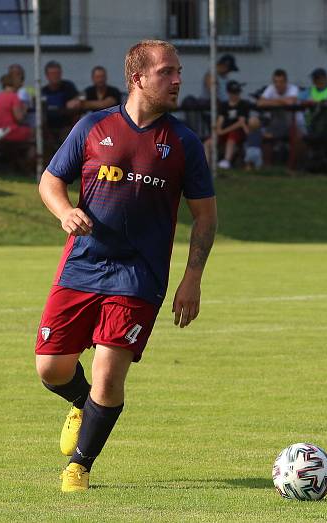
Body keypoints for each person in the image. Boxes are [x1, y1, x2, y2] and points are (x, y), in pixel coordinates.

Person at [34, 39, 217, 493]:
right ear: (137, 78)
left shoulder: (183, 143)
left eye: (178, 72)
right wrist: (63, 212)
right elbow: (51, 180)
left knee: (109, 373)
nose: (177, 80)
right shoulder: (94, 127)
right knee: (50, 368)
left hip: (140, 274)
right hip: (83, 263)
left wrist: (191, 278)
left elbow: (206, 216)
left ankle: (80, 466)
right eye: (166, 72)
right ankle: (82, 404)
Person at [257, 68, 304, 169]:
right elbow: (260, 103)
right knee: (266, 135)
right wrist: (282, 101)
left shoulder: (293, 89)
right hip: (278, 123)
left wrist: (272, 101)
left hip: (296, 123)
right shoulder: (270, 88)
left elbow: (291, 102)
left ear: (286, 82)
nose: (278, 84)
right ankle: (267, 166)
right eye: (276, 82)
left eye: (281, 82)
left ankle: (294, 167)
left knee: (298, 137)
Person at [203, 79, 250, 169]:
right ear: (228, 93)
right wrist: (218, 130)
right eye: (233, 93)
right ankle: (206, 165)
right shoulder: (224, 106)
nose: (235, 95)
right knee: (208, 143)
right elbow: (220, 120)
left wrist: (223, 131)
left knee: (232, 138)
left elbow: (240, 123)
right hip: (224, 132)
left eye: (237, 92)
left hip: (236, 132)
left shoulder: (243, 104)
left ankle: (226, 161)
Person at [41, 61, 79, 146]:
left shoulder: (68, 87)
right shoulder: (43, 91)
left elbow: (77, 100)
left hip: (66, 125)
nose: (55, 76)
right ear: (47, 75)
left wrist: (74, 102)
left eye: (57, 73)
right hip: (48, 127)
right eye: (52, 73)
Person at [0, 73, 32, 142]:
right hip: (8, 131)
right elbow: (19, 118)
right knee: (33, 132)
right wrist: (25, 109)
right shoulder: (13, 97)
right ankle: (36, 152)